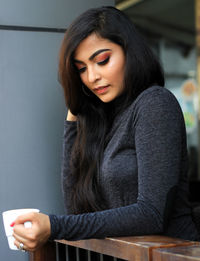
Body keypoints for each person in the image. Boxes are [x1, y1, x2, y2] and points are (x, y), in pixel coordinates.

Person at [12, 6, 199, 252]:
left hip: (174, 254)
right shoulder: (103, 118)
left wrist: (55, 226)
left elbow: (151, 213)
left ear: (129, 52)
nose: (92, 77)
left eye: (102, 60)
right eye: (81, 68)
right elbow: (77, 209)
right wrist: (73, 121)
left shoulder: (154, 103)